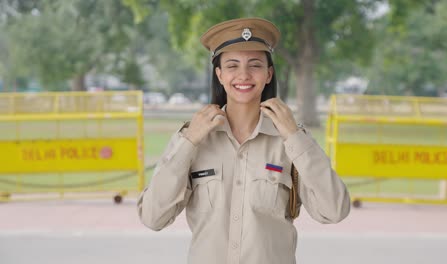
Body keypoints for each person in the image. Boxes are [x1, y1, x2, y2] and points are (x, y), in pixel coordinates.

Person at [137, 17, 350, 264]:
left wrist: (295, 137)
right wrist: (189, 142)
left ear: (269, 74)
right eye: (232, 65)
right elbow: (153, 217)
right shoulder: (193, 138)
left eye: (255, 65)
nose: (244, 75)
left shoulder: (290, 141)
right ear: (219, 74)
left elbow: (334, 211)